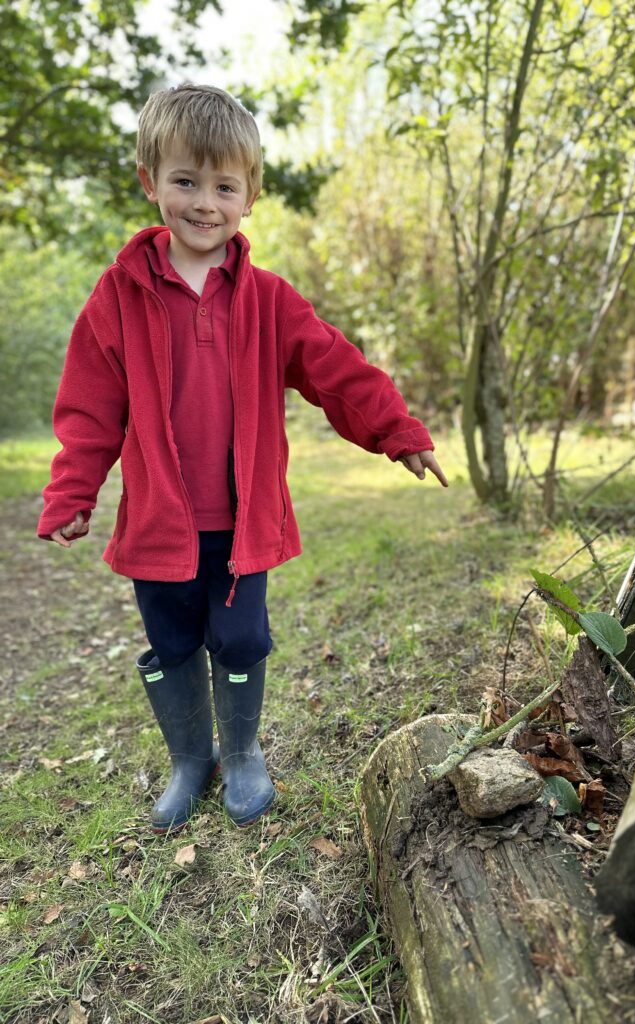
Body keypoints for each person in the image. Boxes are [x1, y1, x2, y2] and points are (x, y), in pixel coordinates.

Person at [37, 83, 448, 834]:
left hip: (242, 521)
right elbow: (90, 409)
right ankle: (191, 759)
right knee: (170, 640)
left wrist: (399, 431)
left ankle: (244, 750)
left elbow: (337, 371)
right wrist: (72, 493)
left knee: (239, 638)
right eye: (185, 181)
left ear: (250, 195)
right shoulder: (118, 299)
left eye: (224, 186)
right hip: (161, 524)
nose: (204, 202)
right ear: (149, 182)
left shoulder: (268, 300)